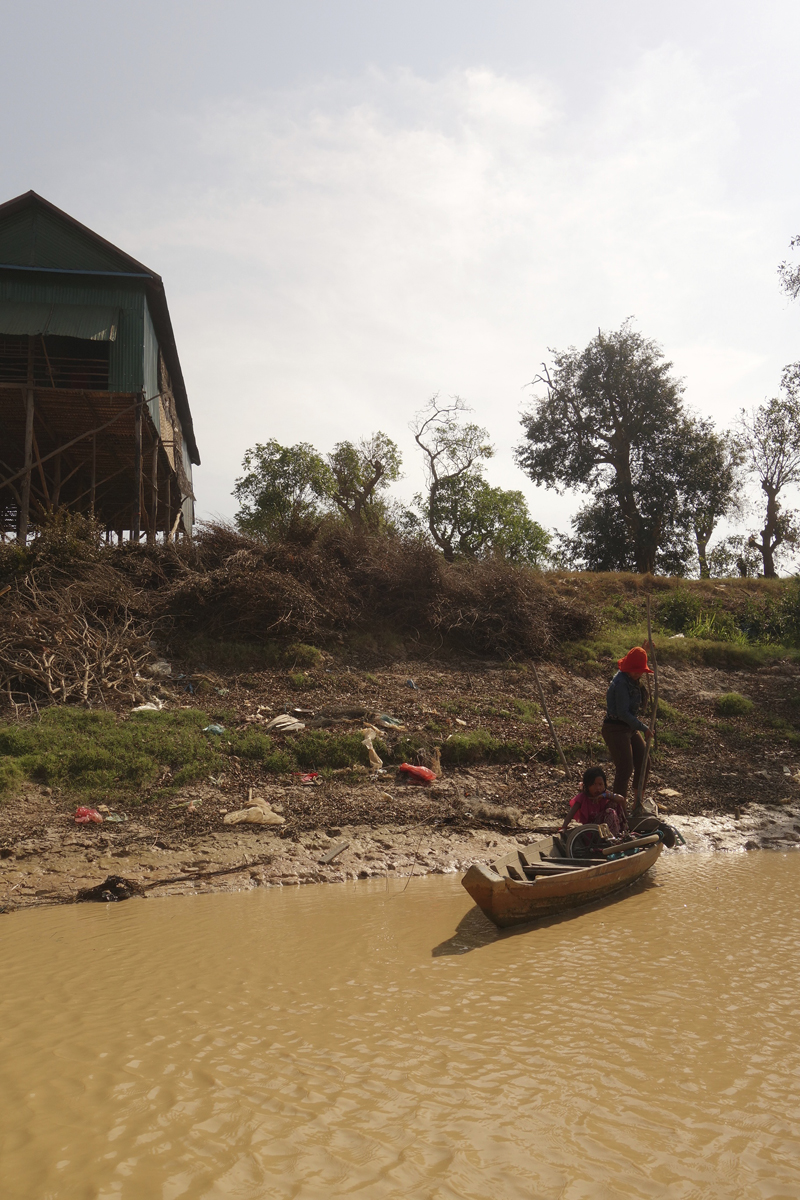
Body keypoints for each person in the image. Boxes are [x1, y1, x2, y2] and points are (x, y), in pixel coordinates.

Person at [602, 646, 653, 800]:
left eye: (641, 671)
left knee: (645, 762)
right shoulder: (620, 683)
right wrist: (644, 728)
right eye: (636, 671)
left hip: (629, 728)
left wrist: (644, 651)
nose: (639, 674)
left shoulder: (632, 677)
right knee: (625, 768)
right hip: (615, 728)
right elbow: (623, 713)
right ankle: (618, 807)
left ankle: (638, 803)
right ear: (628, 668)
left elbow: (635, 662)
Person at [560, 766, 629, 837]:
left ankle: (622, 832)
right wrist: (564, 827)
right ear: (587, 785)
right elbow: (571, 813)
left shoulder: (605, 795)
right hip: (592, 831)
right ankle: (614, 838)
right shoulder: (583, 797)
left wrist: (605, 795)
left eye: (600, 784)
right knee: (610, 812)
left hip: (607, 828)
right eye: (594, 784)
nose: (598, 788)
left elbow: (621, 799)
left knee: (614, 804)